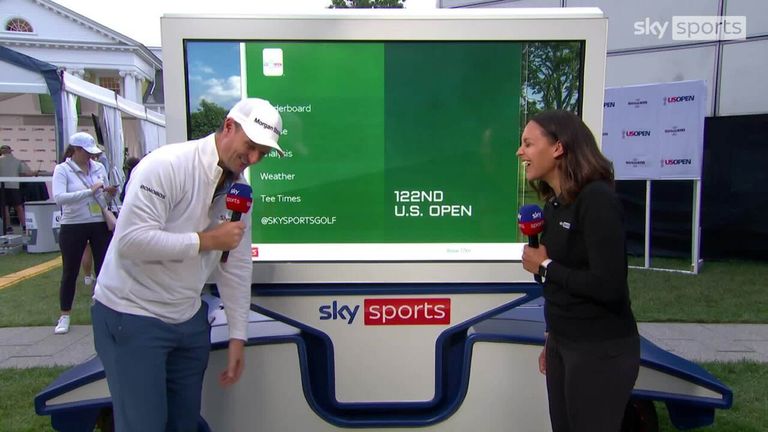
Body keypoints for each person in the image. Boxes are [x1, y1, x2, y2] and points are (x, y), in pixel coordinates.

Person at [91, 98, 284, 431]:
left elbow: (235, 264)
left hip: (188, 318)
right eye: (250, 146)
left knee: (185, 424)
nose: (253, 158)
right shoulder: (166, 165)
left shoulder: (240, 189)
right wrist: (207, 240)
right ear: (228, 127)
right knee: (143, 425)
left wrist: (239, 334)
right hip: (133, 315)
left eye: (262, 153)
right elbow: (131, 241)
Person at [517, 110, 639, 432]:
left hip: (599, 349)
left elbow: (608, 285)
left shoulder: (597, 200)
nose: (520, 152)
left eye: (528, 143)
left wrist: (545, 265)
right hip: (563, 342)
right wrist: (550, 336)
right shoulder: (554, 205)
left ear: (558, 148)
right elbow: (557, 281)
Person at [51, 133, 116, 334]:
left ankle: (107, 311)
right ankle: (65, 315)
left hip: (98, 222)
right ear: (76, 150)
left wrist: (108, 192)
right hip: (73, 224)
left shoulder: (98, 167)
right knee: (70, 271)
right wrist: (89, 191)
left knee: (104, 268)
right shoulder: (62, 170)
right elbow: (60, 198)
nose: (90, 158)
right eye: (86, 153)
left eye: (92, 154)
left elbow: (103, 194)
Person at [0, 144, 32, 233]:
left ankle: (8, 227)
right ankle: (25, 225)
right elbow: (24, 173)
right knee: (19, 207)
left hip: (2, 187)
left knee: (5, 208)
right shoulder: (17, 161)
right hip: (14, 186)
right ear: (10, 151)